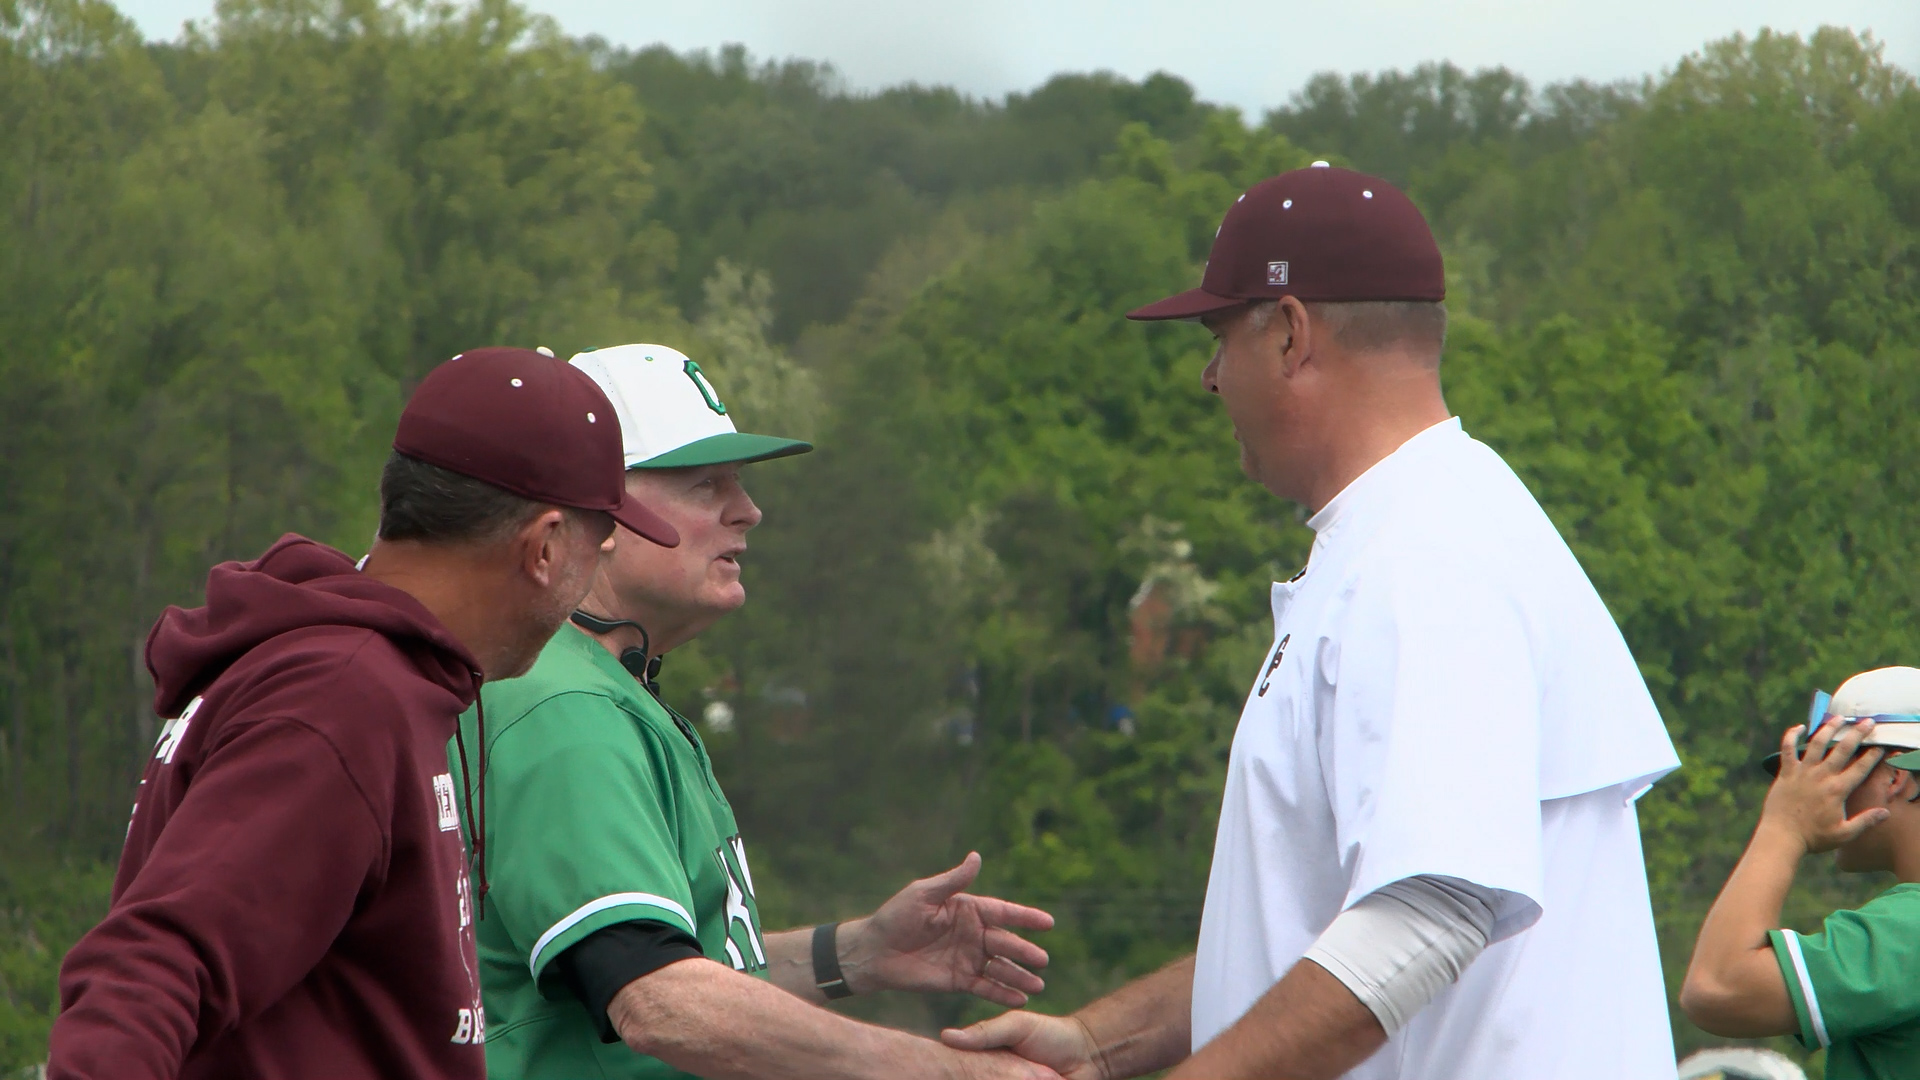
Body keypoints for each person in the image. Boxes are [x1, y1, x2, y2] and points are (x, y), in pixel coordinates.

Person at [943, 164, 1683, 1078]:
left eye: (1220, 337)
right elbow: (1328, 920)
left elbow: (1430, 911)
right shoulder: (1427, 528)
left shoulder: (1429, 556)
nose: (1210, 378)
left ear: (1291, 333)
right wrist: (1105, 1044)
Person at [48, 347, 678, 1080]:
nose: (586, 581)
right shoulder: (341, 698)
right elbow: (151, 964)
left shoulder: (361, 676)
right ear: (543, 547)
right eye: (595, 551)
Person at [458, 343, 1062, 1080]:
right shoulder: (564, 705)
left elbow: (667, 958)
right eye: (706, 483)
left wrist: (859, 952)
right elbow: (657, 999)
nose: (747, 511)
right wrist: (952, 1072)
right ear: (601, 516)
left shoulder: (602, 683)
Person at [1682, 666, 1920, 1080]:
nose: (1815, 787)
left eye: (1831, 766)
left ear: (1894, 777)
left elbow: (1717, 987)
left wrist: (1785, 826)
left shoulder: (1910, 931)